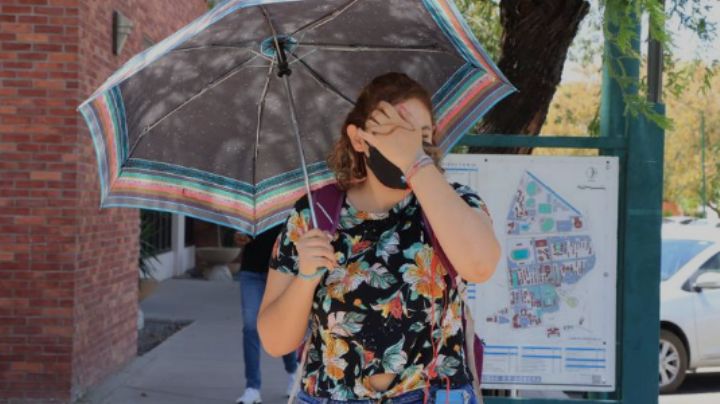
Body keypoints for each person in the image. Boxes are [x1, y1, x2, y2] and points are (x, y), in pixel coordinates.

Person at [257, 72, 500, 403]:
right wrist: (305, 278)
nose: (408, 146)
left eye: (421, 137)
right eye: (395, 134)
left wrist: (416, 162)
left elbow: (481, 266)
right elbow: (275, 341)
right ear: (360, 140)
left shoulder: (454, 203)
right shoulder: (313, 217)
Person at [235, 224, 298, 404]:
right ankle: (252, 387)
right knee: (250, 326)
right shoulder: (253, 202)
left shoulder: (291, 205)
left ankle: (293, 371)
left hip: (281, 273)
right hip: (251, 272)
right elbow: (239, 233)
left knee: (280, 327)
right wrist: (240, 237)